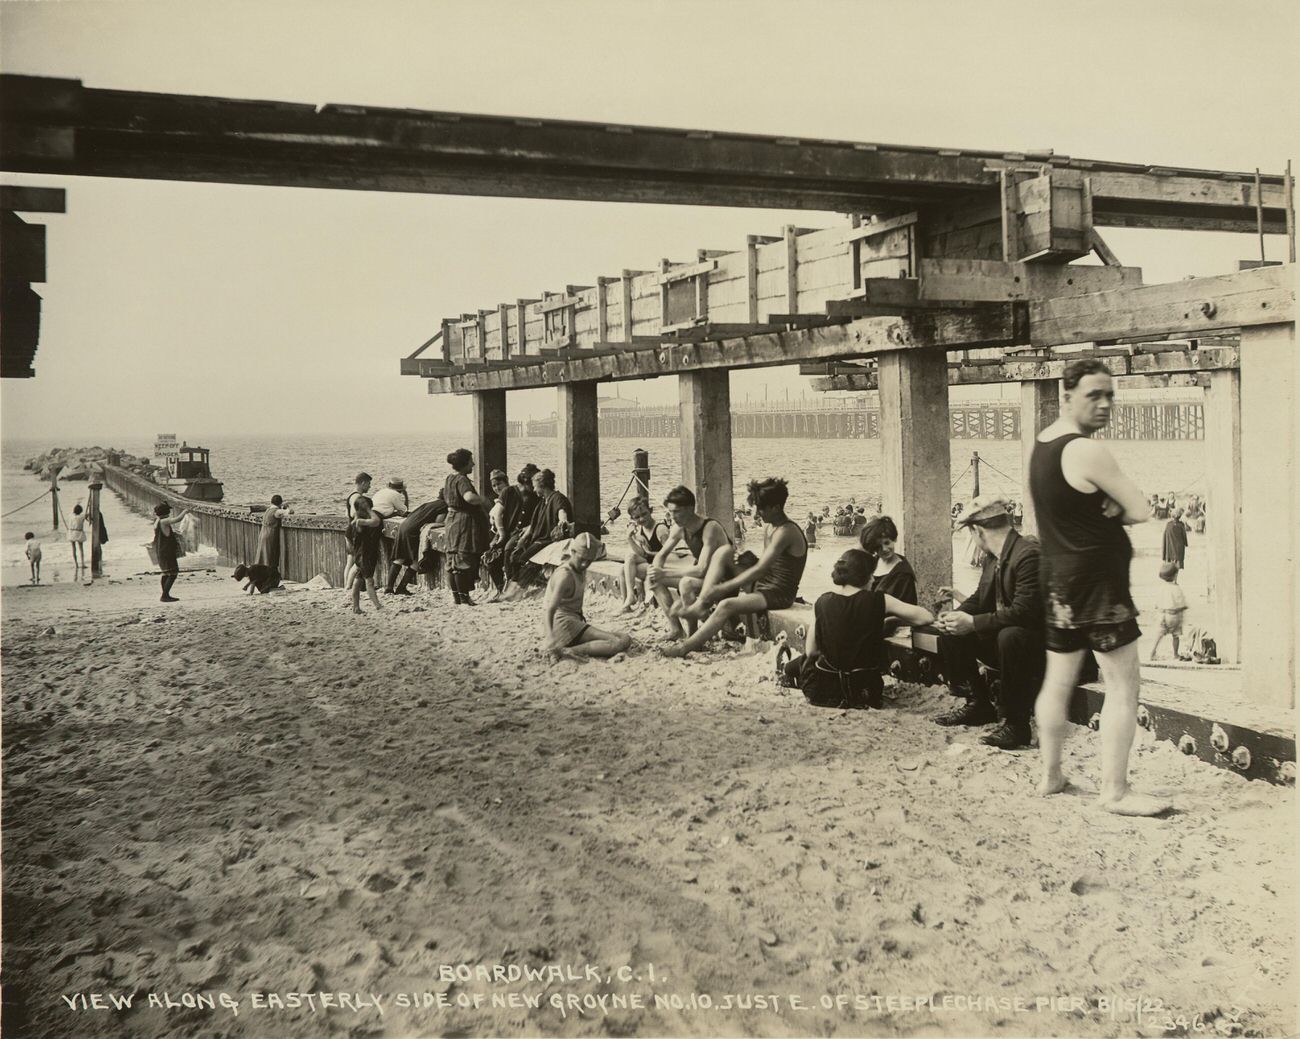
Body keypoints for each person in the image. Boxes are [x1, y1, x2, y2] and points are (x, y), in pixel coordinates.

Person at [1029, 358, 1167, 815]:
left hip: (1058, 581)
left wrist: (1105, 501)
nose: (1106, 404)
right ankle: (1115, 791)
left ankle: (1051, 775)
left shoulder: (1043, 445)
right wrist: (1115, 505)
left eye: (1110, 395)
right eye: (1095, 395)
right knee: (1123, 685)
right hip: (1099, 586)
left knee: (1057, 682)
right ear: (1067, 395)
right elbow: (1142, 509)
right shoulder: (1086, 450)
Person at [932, 496, 1045, 750]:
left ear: (977, 530)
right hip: (1012, 644)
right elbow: (980, 599)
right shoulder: (994, 557)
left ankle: (1017, 725)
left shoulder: (1029, 555)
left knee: (1011, 635)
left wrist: (973, 623)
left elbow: (1026, 613)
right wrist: (956, 617)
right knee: (953, 630)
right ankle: (978, 704)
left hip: (1043, 649)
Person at [663, 477, 807, 658]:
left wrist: (724, 587)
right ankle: (701, 604)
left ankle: (685, 647)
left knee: (726, 605)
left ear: (776, 507)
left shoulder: (787, 532)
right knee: (724, 551)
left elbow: (761, 569)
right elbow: (763, 569)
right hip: (762, 584)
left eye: (761, 509)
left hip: (778, 593)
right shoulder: (770, 527)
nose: (757, 513)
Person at [784, 548, 935, 708]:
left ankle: (787, 672)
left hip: (822, 692)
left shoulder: (822, 602)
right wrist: (894, 620)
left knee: (799, 664)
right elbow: (926, 617)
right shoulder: (880, 600)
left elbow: (811, 651)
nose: (873, 580)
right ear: (865, 576)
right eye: (872, 575)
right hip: (865, 692)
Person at [646, 485, 733, 640]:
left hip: (725, 580)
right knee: (654, 579)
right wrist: (656, 571)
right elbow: (661, 554)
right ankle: (676, 629)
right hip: (705, 580)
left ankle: (693, 635)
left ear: (690, 509)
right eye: (670, 512)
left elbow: (701, 569)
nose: (673, 516)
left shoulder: (709, 528)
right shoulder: (679, 528)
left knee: (686, 583)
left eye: (677, 512)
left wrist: (664, 572)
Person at [543, 532, 632, 660]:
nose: (585, 564)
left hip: (573, 621)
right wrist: (549, 637)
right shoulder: (565, 575)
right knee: (617, 643)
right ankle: (566, 651)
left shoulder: (579, 566)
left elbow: (595, 546)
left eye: (589, 560)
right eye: (582, 559)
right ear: (572, 552)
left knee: (625, 638)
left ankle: (568, 648)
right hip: (563, 625)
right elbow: (549, 609)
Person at [442, 448, 491, 606]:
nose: (474, 464)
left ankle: (457, 597)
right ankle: (464, 598)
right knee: (462, 559)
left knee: (452, 559)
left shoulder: (449, 478)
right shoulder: (462, 479)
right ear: (464, 464)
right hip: (463, 522)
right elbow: (469, 497)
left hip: (451, 520)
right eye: (471, 461)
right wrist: (483, 500)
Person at [488, 464, 540, 598]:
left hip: (522, 532)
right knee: (491, 557)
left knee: (509, 550)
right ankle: (501, 588)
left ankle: (511, 587)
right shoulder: (509, 492)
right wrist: (501, 533)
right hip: (507, 531)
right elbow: (497, 513)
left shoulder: (535, 495)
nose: (534, 487)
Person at [390, 492, 448, 594]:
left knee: (399, 558)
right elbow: (438, 522)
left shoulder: (430, 503)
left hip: (403, 527)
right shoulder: (444, 506)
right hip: (413, 532)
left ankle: (388, 588)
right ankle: (401, 588)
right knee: (416, 561)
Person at [619, 496, 670, 612]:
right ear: (632, 518)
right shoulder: (641, 530)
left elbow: (669, 554)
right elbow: (642, 554)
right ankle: (626, 604)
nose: (641, 519)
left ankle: (630, 597)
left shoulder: (660, 529)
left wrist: (648, 552)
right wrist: (630, 538)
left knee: (629, 561)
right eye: (637, 517)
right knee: (623, 569)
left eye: (644, 514)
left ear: (651, 510)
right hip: (649, 564)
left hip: (661, 566)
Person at [858, 515, 918, 606]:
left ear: (894, 539)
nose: (884, 549)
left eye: (887, 543)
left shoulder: (904, 575)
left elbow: (908, 609)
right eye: (878, 546)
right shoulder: (871, 563)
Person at [348, 495, 383, 613]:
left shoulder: (354, 521)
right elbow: (376, 521)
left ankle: (356, 607)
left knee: (358, 580)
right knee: (369, 580)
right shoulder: (360, 522)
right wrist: (369, 510)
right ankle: (378, 606)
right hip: (364, 555)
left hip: (359, 554)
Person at [152, 503, 192, 602]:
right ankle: (165, 595)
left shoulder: (157, 521)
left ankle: (165, 594)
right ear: (166, 512)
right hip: (167, 551)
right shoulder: (164, 521)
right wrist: (185, 512)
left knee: (166, 573)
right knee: (173, 573)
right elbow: (177, 519)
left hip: (160, 550)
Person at [1150, 561, 1188, 661]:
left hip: (1162, 614)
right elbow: (1181, 605)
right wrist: (1182, 615)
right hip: (1173, 615)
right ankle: (1175, 654)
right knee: (1176, 635)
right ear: (1175, 576)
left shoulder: (1161, 588)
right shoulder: (1176, 589)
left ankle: (1152, 652)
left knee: (1159, 635)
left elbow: (1156, 604)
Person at [344, 472, 372, 590]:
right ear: (363, 483)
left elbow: (347, 514)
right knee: (356, 561)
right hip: (356, 532)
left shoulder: (351, 495)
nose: (369, 487)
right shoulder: (357, 497)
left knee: (350, 560)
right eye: (368, 484)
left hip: (349, 530)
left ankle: (346, 586)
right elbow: (353, 514)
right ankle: (349, 587)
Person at [254, 495, 292, 573]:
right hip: (270, 534)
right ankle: (269, 573)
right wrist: (287, 507)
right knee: (270, 554)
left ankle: (260, 572)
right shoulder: (276, 511)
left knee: (263, 554)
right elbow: (290, 512)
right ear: (280, 503)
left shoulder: (268, 510)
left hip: (263, 533)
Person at [67, 504, 87, 569]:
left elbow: (71, 514)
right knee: (81, 549)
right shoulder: (81, 517)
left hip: (71, 532)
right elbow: (87, 515)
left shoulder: (70, 516)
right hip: (79, 533)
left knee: (74, 549)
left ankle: (76, 564)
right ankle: (83, 563)